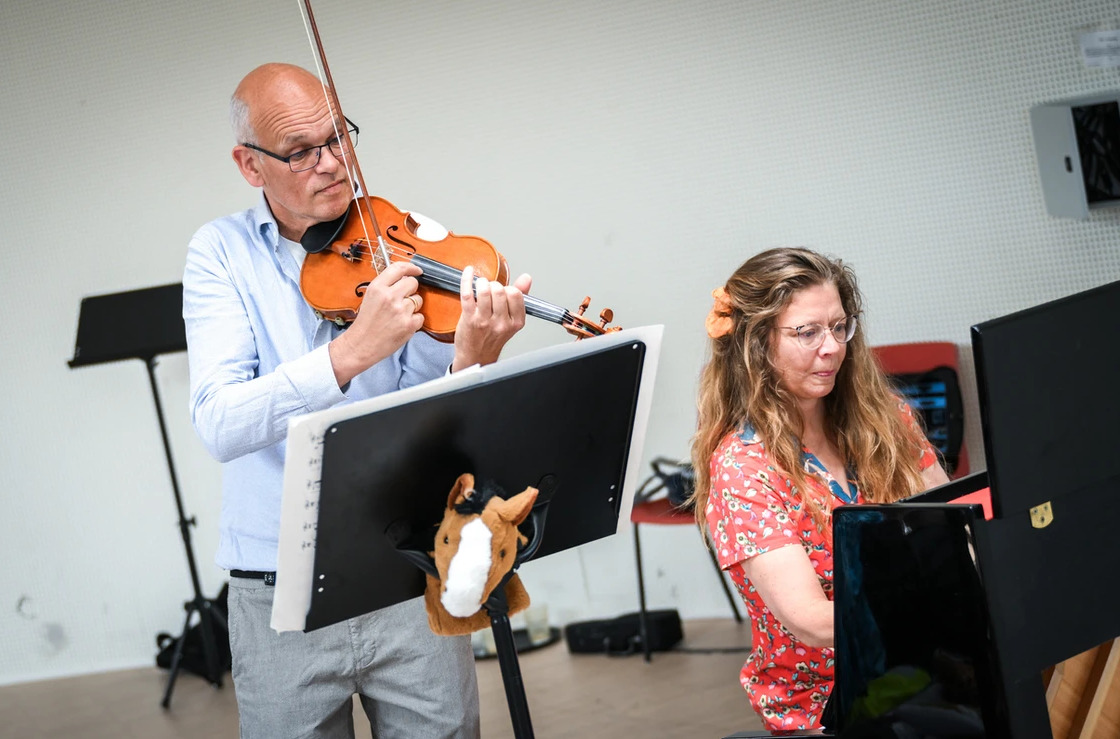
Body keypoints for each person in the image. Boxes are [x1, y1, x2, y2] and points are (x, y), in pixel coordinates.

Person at [182, 62, 532, 739]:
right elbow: (221, 422)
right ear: (250, 166)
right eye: (301, 150)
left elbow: (429, 425)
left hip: (406, 567)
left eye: (339, 136)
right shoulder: (220, 255)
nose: (333, 163)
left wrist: (469, 360)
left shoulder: (401, 235)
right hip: (281, 591)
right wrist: (350, 353)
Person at [688, 247, 950, 732]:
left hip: (923, 666)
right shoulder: (744, 468)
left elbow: (951, 523)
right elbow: (809, 620)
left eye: (838, 327)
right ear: (757, 345)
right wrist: (943, 607)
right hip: (828, 700)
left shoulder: (885, 417)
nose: (830, 347)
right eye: (807, 332)